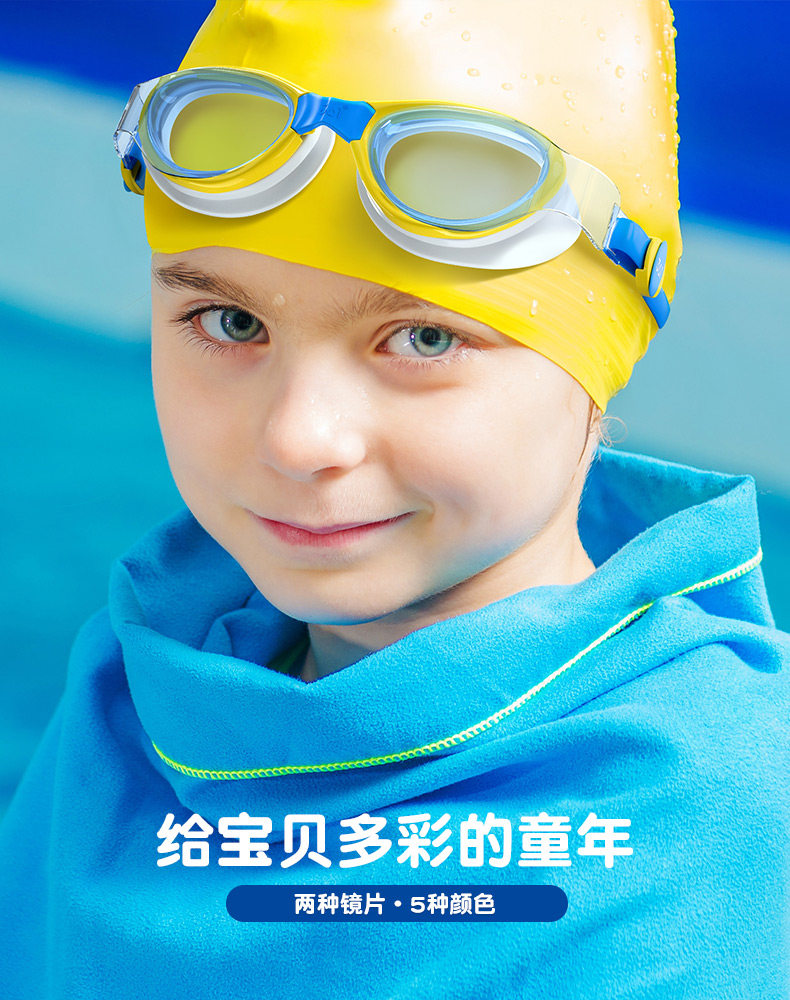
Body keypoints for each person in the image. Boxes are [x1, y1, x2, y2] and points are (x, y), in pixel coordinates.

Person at [1, 1, 788, 997]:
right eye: (230, 321)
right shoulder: (136, 690)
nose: (298, 439)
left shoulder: (719, 822)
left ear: (597, 367)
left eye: (423, 339)